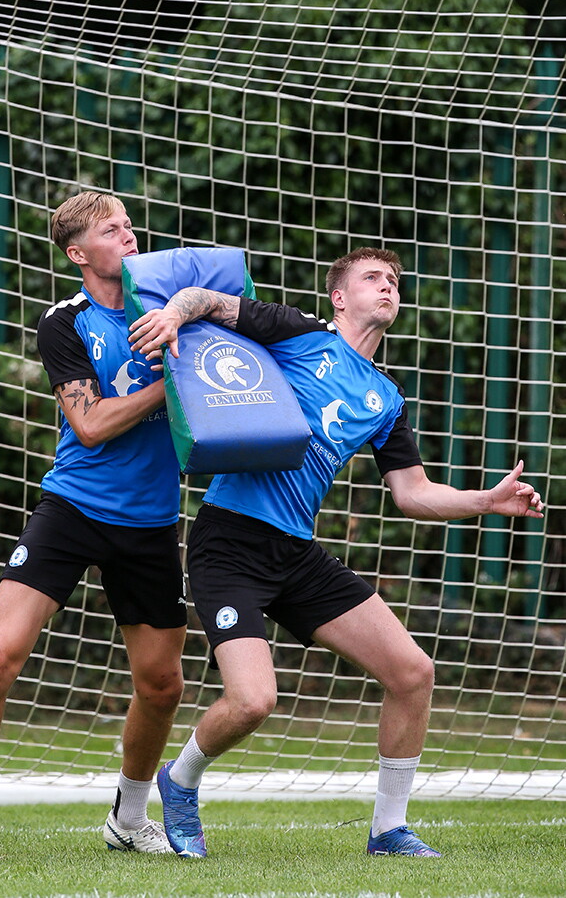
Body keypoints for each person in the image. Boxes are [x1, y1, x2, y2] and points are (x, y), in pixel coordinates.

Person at [128, 246, 545, 859]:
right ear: (339, 297)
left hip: (297, 553)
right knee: (253, 701)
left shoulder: (386, 397)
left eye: (394, 280)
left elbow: (412, 493)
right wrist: (174, 315)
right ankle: (181, 779)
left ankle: (389, 830)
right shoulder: (299, 333)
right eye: (373, 278)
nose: (388, 286)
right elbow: (209, 302)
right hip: (230, 540)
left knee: (413, 673)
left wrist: (486, 500)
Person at [0, 191, 187, 863]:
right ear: (78, 253)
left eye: (129, 226)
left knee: (163, 685)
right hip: (73, 507)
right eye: (111, 229)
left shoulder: (173, 309)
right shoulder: (64, 322)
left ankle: (129, 817)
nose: (129, 236)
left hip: (152, 520)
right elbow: (90, 426)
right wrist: (175, 384)